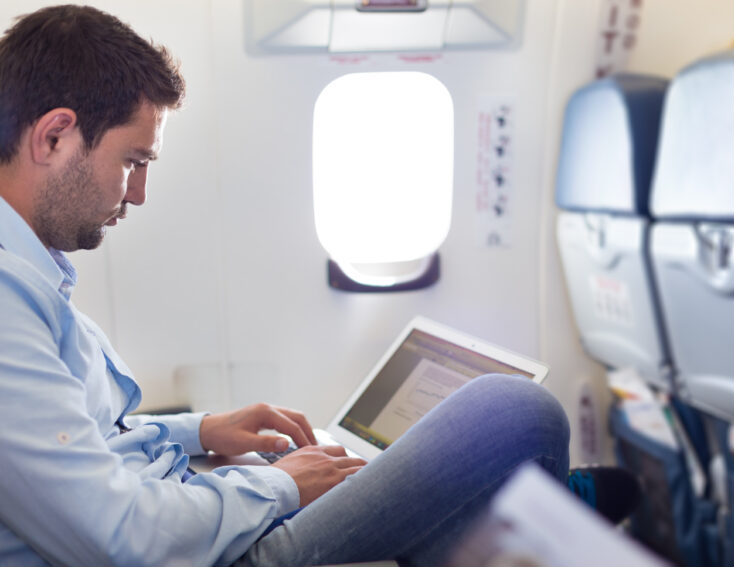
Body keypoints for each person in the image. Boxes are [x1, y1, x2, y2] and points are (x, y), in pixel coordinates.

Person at [0, 5, 638, 567]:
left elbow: (93, 439)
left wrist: (203, 430)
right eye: (134, 161)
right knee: (515, 411)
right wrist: (280, 486)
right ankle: (516, 501)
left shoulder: (30, 273)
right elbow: (121, 539)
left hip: (179, 500)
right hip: (194, 551)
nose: (138, 193)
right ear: (54, 137)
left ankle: (497, 504)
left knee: (427, 451)